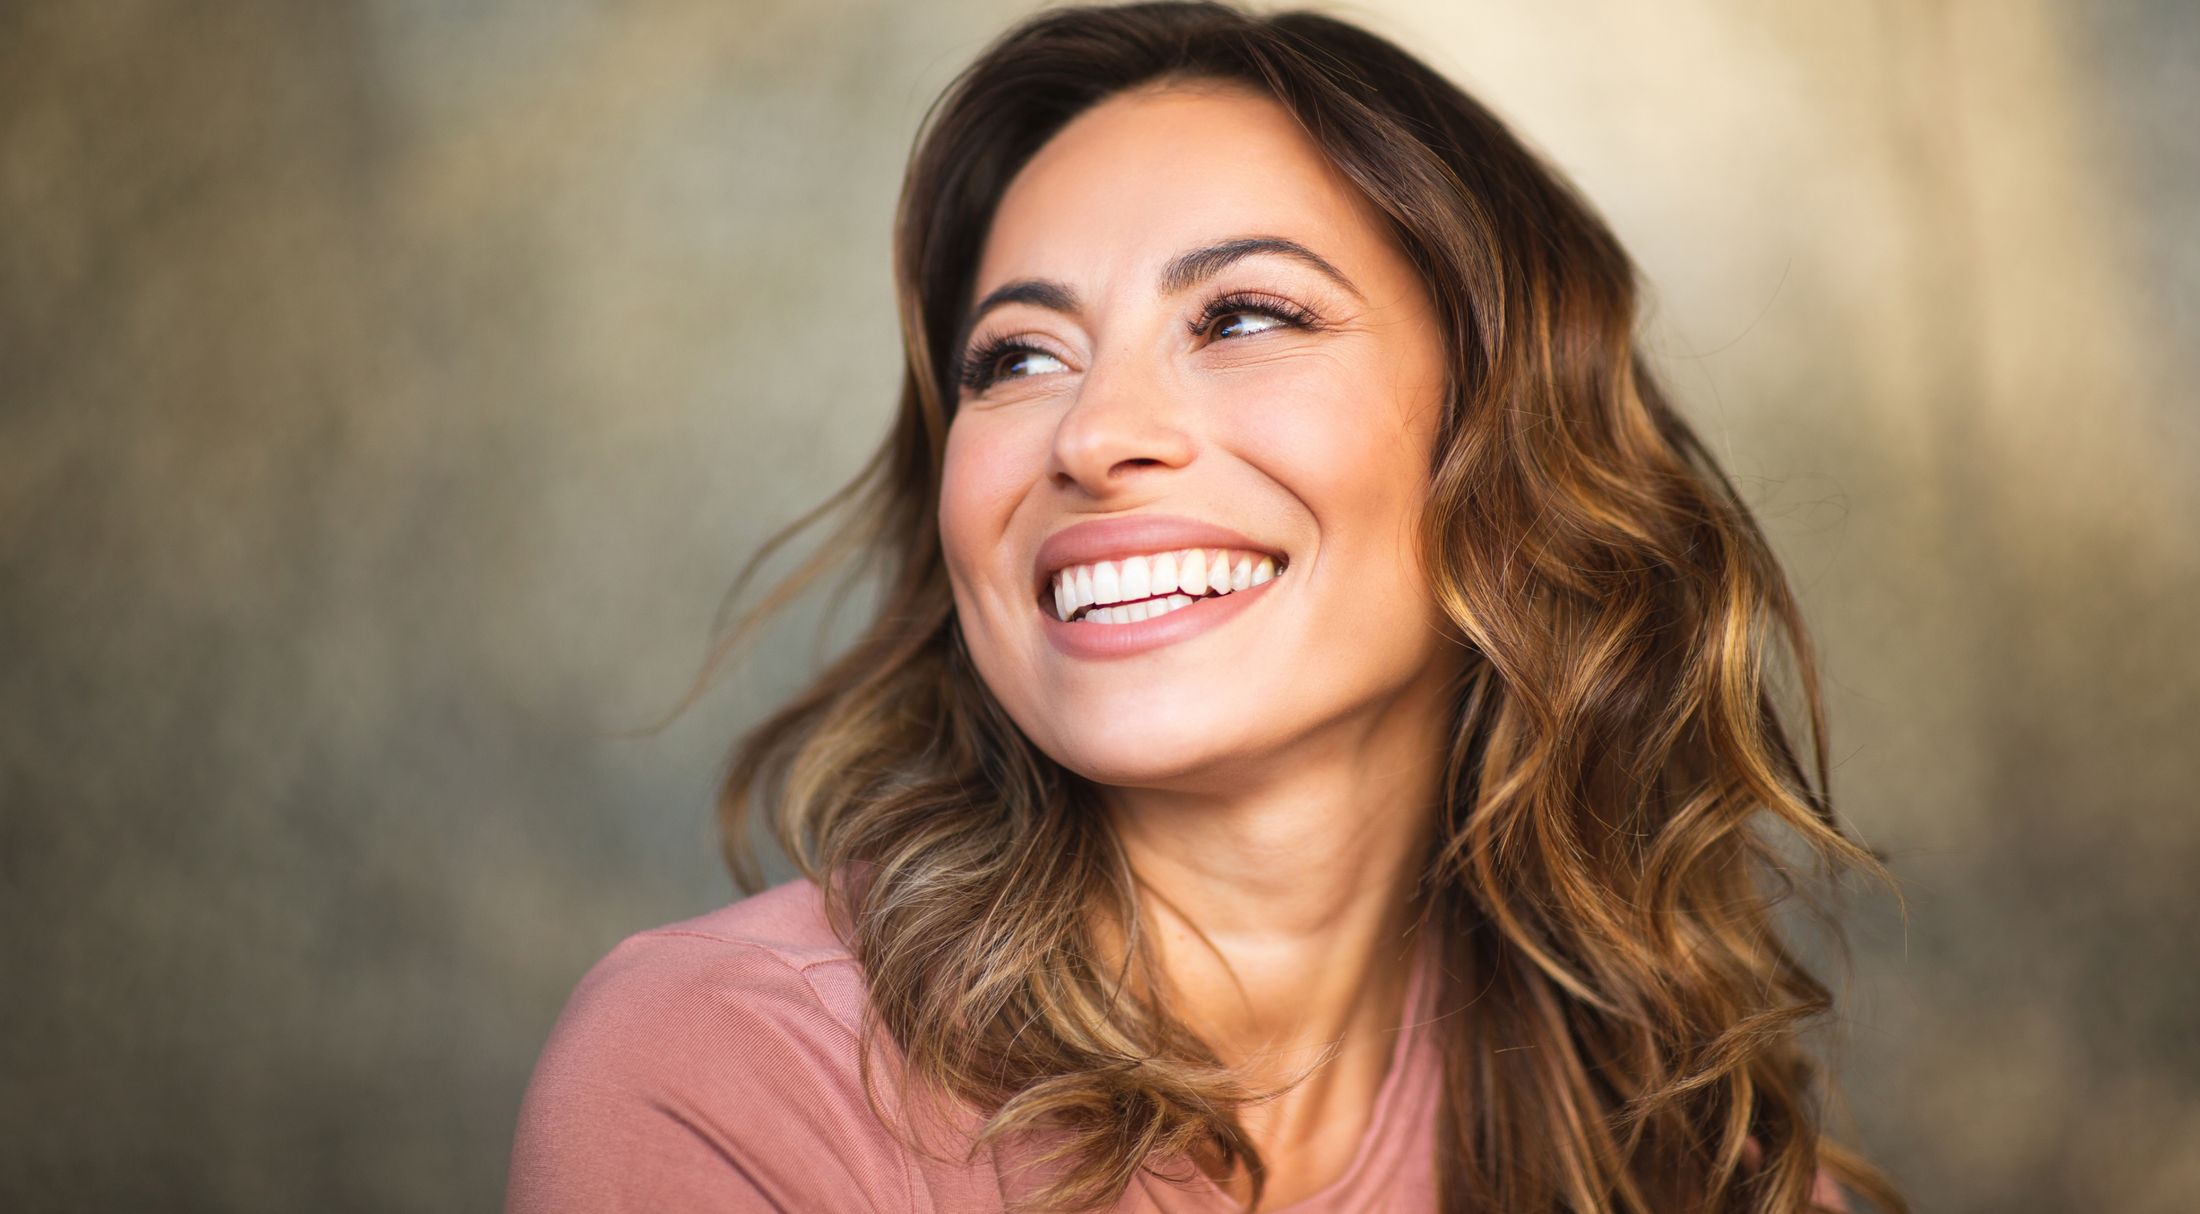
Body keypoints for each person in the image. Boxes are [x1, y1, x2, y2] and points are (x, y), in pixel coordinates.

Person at [506, 3, 1903, 1211]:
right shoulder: (727, 1071)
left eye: (1242, 315)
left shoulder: (1667, 1128)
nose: (1095, 433)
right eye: (1017, 357)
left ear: (1509, 443)